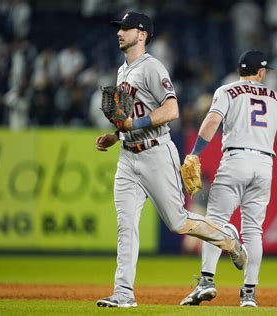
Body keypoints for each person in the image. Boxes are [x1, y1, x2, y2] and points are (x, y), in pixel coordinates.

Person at [94, 12, 247, 308]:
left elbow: (172, 110)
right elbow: (128, 119)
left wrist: (132, 127)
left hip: (155, 153)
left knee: (178, 222)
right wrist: (117, 135)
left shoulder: (152, 67)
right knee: (126, 225)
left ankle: (227, 237)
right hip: (128, 156)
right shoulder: (123, 70)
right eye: (119, 28)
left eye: (126, 28)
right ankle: (123, 293)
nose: (119, 33)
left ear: (142, 34)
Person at [179, 50, 277, 307]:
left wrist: (195, 153)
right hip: (264, 164)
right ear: (261, 72)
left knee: (214, 222)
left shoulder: (226, 91)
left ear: (240, 70)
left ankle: (207, 281)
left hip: (235, 160)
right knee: (254, 231)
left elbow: (213, 119)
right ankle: (249, 294)